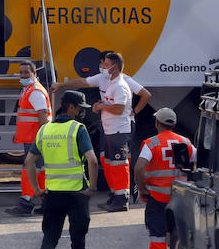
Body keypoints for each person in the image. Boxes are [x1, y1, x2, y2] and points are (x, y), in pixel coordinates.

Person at [53, 50, 152, 212]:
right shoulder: (106, 80)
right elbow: (82, 82)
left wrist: (127, 110)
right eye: (102, 63)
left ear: (114, 66)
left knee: (119, 163)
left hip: (120, 129)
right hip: (109, 128)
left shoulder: (122, 84)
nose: (101, 66)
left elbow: (123, 107)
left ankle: (121, 198)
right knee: (108, 161)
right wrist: (61, 85)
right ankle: (115, 195)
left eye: (105, 64)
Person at [25, 90, 101, 249]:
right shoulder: (78, 129)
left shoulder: (45, 130)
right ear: (70, 107)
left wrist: (36, 189)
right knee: (77, 241)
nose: (81, 113)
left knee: (49, 239)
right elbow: (93, 161)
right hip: (77, 194)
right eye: (80, 108)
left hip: (52, 194)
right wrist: (92, 188)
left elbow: (29, 161)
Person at [132, 107, 196, 249]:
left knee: (158, 239)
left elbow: (139, 168)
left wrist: (142, 189)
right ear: (174, 124)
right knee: (183, 238)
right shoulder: (185, 142)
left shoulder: (151, 144)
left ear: (157, 123)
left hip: (158, 200)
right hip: (181, 199)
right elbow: (197, 162)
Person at [6, 60, 50, 217]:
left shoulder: (35, 91)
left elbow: (43, 116)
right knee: (40, 169)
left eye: (26, 72)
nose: (23, 75)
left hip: (36, 138)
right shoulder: (29, 89)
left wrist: (41, 138)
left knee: (29, 168)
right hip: (33, 137)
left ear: (34, 73)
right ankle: (46, 203)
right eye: (21, 72)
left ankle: (25, 203)